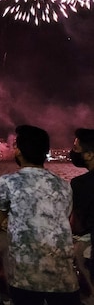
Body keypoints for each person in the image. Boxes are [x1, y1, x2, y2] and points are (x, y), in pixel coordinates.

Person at [0, 124, 79, 304]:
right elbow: (65, 218)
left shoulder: (8, 181)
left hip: (26, 278)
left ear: (18, 151)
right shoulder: (64, 185)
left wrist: (18, 223)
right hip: (64, 277)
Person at [70, 127, 94, 301]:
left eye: (76, 148)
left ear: (90, 154)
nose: (73, 152)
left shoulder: (81, 184)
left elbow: (76, 225)